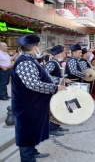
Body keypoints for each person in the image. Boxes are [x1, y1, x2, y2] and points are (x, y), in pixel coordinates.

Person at [11, 34, 67, 162]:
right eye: (40, 45)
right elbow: (33, 84)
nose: (41, 47)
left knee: (33, 130)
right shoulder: (25, 62)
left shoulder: (30, 59)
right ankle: (27, 158)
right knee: (26, 131)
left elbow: (44, 77)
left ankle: (32, 152)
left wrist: (59, 81)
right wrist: (55, 88)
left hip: (33, 104)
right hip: (26, 105)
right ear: (34, 47)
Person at [44, 45, 71, 136]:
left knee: (59, 108)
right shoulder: (51, 63)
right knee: (55, 109)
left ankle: (56, 125)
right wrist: (59, 80)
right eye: (63, 52)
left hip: (58, 88)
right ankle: (52, 128)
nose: (65, 54)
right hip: (53, 89)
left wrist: (63, 79)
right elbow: (46, 76)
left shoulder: (56, 62)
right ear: (58, 54)